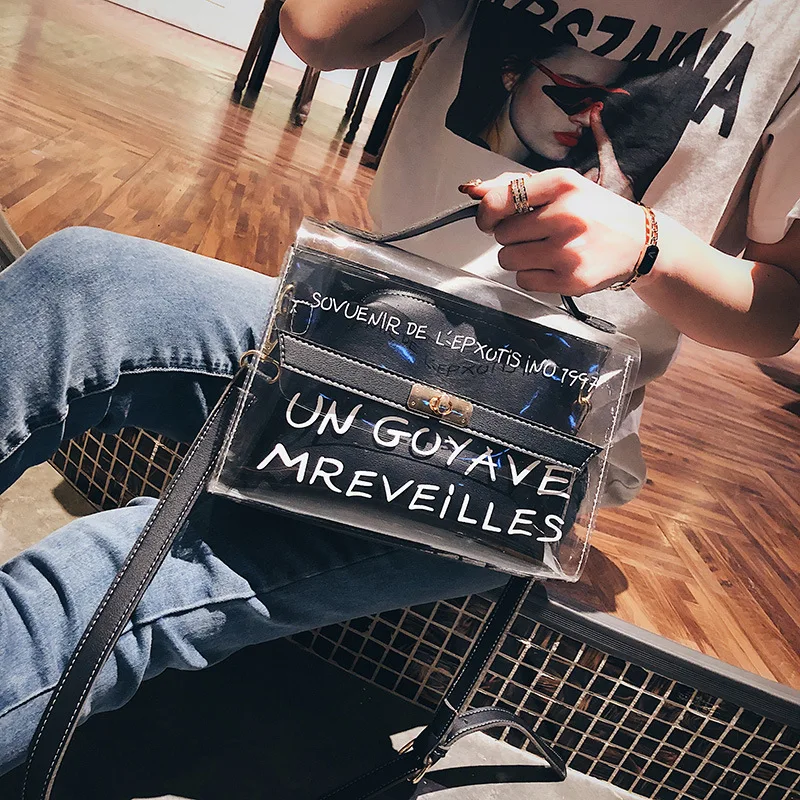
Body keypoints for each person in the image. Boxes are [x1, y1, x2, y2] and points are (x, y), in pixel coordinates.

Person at [1, 0, 798, 780]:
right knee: (83, 284)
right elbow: (316, 31)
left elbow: (780, 309)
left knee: (116, 578)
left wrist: (653, 248)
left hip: (530, 429)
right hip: (354, 327)